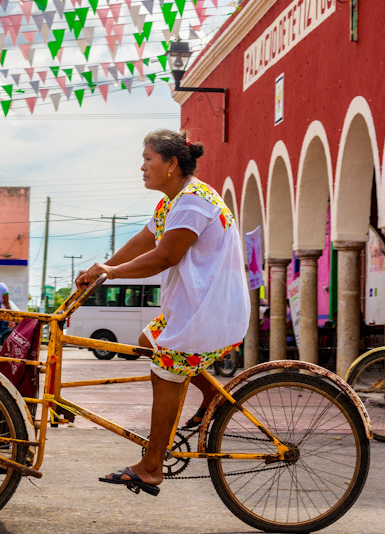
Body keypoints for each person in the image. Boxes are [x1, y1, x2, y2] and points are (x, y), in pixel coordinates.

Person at [76, 129, 250, 496]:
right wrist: (101, 268)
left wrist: (111, 273)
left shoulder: (192, 201)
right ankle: (213, 396)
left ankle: (152, 466)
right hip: (191, 308)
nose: (142, 166)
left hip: (208, 310)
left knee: (165, 373)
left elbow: (165, 256)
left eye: (148, 159)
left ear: (172, 164)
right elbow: (144, 241)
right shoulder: (171, 202)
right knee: (147, 340)